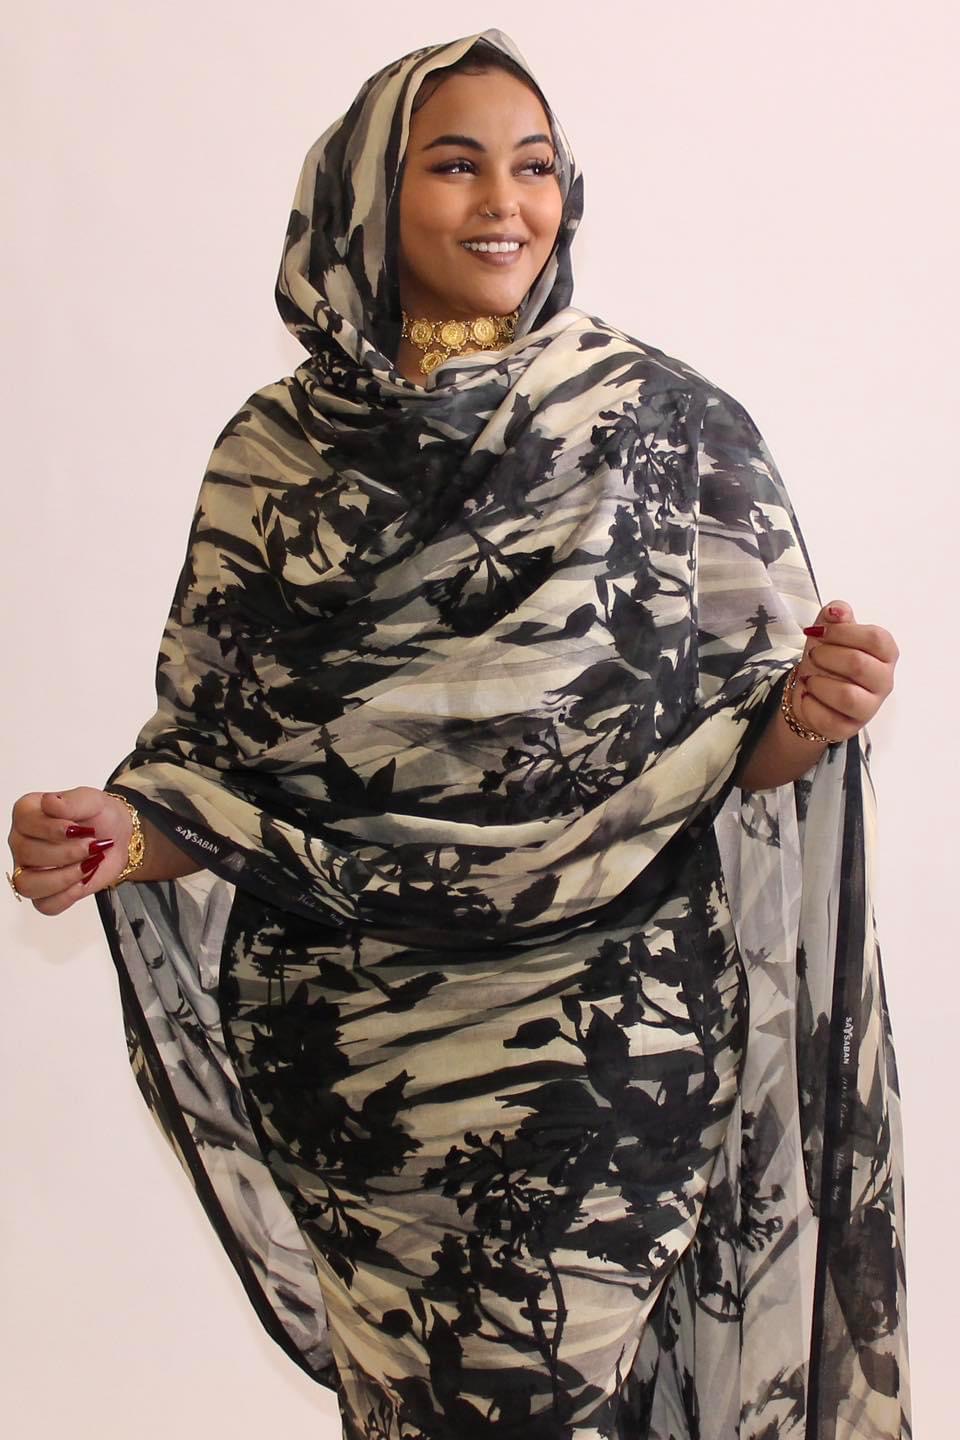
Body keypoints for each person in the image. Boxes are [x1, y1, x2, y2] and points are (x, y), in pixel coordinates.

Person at [6, 29, 908, 1440]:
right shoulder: (272, 459)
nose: (506, 202)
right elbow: (217, 779)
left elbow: (738, 747)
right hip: (350, 1061)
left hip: (605, 1039)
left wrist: (809, 711)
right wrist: (115, 834)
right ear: (369, 195)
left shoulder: (665, 427)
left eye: (535, 167)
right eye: (456, 165)